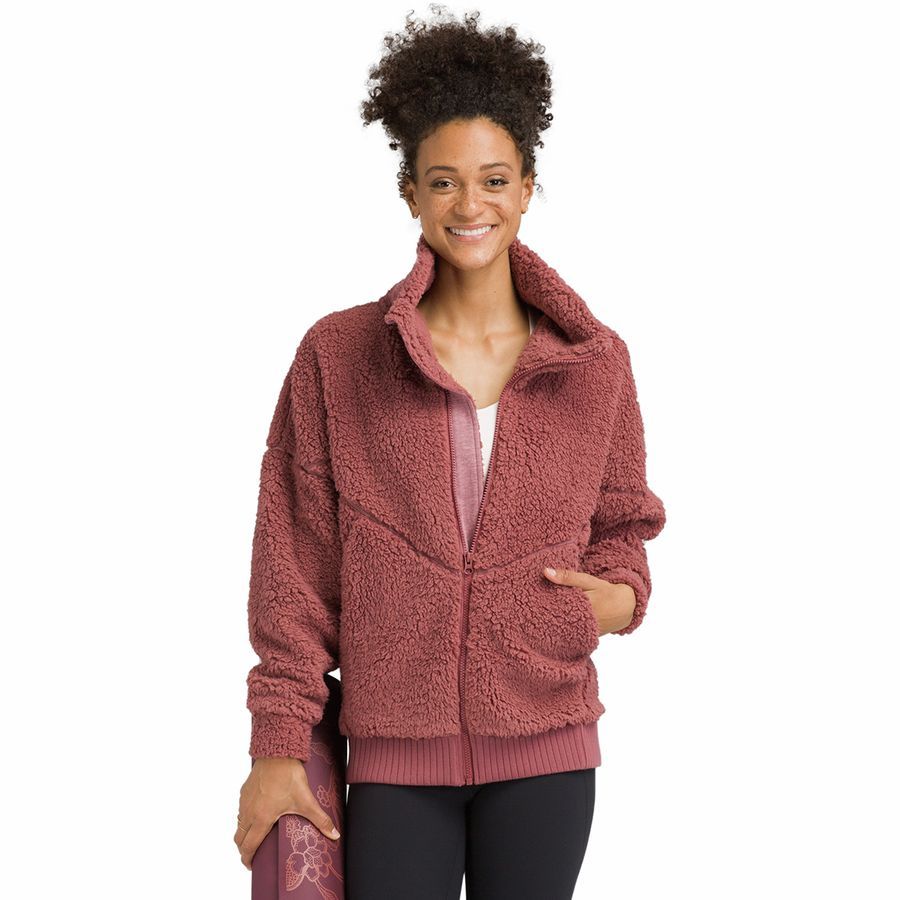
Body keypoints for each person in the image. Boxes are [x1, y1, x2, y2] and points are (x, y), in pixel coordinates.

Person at [234, 8, 666, 898]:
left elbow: (623, 524)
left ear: (528, 186)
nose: (471, 207)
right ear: (410, 193)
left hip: (548, 747)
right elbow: (292, 566)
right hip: (393, 752)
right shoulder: (338, 356)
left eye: (495, 180)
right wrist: (277, 743)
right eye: (444, 182)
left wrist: (618, 600)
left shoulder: (595, 361)